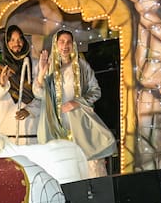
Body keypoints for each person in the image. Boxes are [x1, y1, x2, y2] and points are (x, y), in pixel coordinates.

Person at [34, 30, 115, 177]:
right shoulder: (50, 69)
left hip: (81, 126)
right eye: (62, 42)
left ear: (73, 45)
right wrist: (42, 72)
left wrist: (76, 103)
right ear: (56, 44)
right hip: (58, 128)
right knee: (66, 171)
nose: (65, 45)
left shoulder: (81, 66)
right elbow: (39, 94)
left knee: (91, 168)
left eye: (69, 42)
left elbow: (96, 91)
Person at [0, 25, 41, 145]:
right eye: (12, 40)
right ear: (7, 44)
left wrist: (30, 110)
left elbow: (44, 94)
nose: (17, 43)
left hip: (33, 131)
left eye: (20, 39)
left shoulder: (35, 65)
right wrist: (2, 83)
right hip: (8, 134)